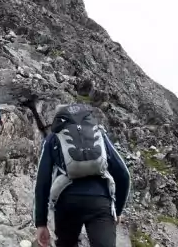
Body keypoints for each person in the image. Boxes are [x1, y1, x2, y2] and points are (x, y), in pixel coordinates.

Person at [33, 103, 130, 247]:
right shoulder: (99, 133)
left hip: (67, 202)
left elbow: (42, 182)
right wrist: (118, 208)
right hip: (100, 201)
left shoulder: (53, 138)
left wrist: (41, 222)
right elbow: (123, 174)